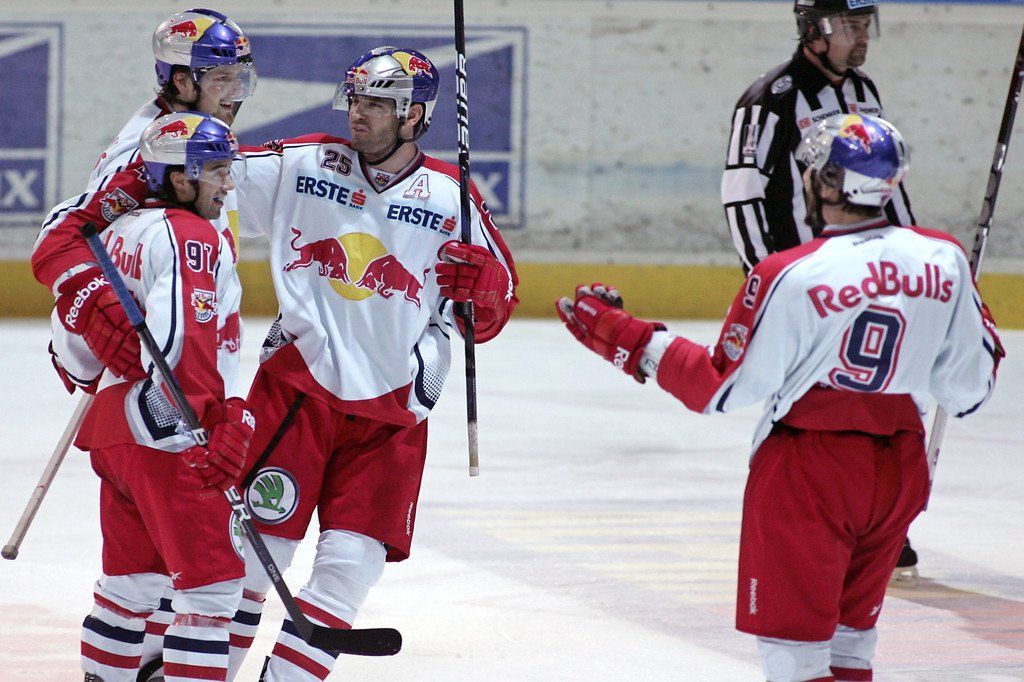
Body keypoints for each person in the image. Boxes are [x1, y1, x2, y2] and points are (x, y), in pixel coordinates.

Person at [560, 114, 1002, 681]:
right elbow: (970, 391)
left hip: (812, 470)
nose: (808, 180)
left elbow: (718, 385)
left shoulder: (792, 273)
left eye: (816, 171)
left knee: (794, 658)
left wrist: (628, 338)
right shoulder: (944, 259)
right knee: (851, 647)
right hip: (900, 466)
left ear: (832, 184)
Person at [222, 45, 518, 680]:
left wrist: (486, 290)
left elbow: (494, 311)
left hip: (394, 412)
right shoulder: (302, 163)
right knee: (249, 558)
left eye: (379, 104)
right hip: (297, 393)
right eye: (356, 99)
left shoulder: (452, 197)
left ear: (415, 117)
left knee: (349, 569)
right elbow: (203, 172)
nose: (359, 113)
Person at [48, 113, 255, 682]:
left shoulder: (114, 231)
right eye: (216, 171)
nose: (228, 183)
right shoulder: (192, 236)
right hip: (172, 438)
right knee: (211, 594)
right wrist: (210, 426)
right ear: (180, 178)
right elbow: (183, 346)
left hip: (113, 433)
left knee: (129, 587)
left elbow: (72, 348)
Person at [721, 0, 921, 583]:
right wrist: (766, 279)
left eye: (864, 24)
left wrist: (915, 258)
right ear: (813, 30)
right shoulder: (769, 100)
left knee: (882, 393)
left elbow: (887, 186)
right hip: (806, 284)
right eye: (848, 26)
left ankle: (883, 526)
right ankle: (806, 525)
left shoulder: (864, 90)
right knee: (809, 411)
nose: (861, 36)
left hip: (871, 278)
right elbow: (742, 195)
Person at [35, 7, 256, 391]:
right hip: (153, 357)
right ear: (182, 81)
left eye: (240, 78)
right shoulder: (153, 154)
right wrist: (95, 303)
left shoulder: (196, 137)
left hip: (190, 339)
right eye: (222, 79)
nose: (235, 95)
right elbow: (62, 235)